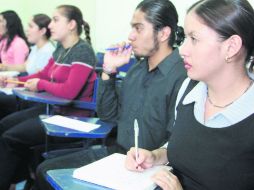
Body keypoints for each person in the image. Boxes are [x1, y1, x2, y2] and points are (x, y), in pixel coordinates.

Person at [35, 0, 186, 189]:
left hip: (153, 167)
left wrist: (154, 157)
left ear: (163, 33)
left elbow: (179, 142)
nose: (130, 36)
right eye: (132, 28)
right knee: (45, 170)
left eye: (138, 29)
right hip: (118, 155)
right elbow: (109, 115)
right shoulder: (136, 71)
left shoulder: (183, 77)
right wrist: (109, 70)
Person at [125, 0, 254, 189]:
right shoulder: (189, 89)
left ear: (231, 46)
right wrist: (155, 156)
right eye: (185, 38)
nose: (183, 50)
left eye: (194, 39)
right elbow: (183, 149)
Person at [0, 5, 96, 189]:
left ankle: (12, 181)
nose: (50, 25)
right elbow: (43, 74)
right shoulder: (61, 48)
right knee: (4, 125)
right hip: (54, 110)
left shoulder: (82, 50)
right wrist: (14, 80)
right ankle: (19, 178)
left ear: (71, 24)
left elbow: (69, 92)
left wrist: (40, 85)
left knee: (10, 138)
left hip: (72, 118)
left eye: (56, 20)